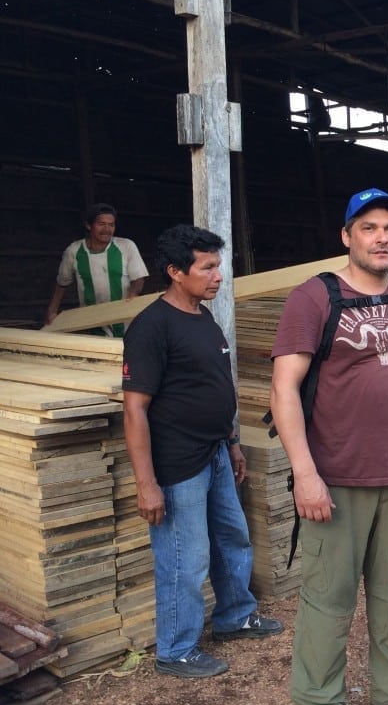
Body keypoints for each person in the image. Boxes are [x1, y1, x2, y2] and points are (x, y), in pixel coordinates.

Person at [270, 188, 388, 705]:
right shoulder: (314, 298)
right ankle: (319, 704)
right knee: (328, 597)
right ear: (347, 236)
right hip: (335, 476)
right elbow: (284, 391)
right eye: (370, 227)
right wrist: (305, 475)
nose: (382, 237)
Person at [122, 224, 283, 679]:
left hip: (214, 452)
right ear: (176, 272)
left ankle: (235, 616)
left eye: (219, 265)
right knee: (184, 557)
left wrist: (232, 443)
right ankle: (175, 650)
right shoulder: (150, 328)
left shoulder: (202, 316)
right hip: (176, 465)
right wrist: (147, 483)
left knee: (233, 539)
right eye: (207, 267)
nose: (218, 276)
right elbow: (135, 410)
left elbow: (213, 389)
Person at [45, 202, 149, 336]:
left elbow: (139, 278)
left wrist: (133, 294)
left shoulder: (126, 246)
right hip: (93, 319)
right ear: (89, 225)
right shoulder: (74, 251)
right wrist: (52, 310)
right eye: (101, 224)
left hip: (124, 317)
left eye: (111, 225)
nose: (107, 229)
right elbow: (62, 283)